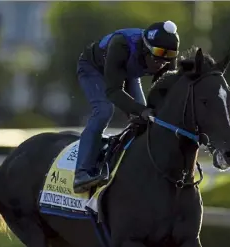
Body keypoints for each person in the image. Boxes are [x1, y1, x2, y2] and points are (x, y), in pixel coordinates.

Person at [73, 20, 180, 193]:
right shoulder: (121, 45)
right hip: (93, 69)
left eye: (168, 57)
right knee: (104, 111)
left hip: (128, 72)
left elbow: (163, 94)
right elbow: (113, 91)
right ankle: (82, 172)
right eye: (158, 54)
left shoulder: (166, 58)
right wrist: (141, 110)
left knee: (146, 121)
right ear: (145, 47)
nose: (162, 62)